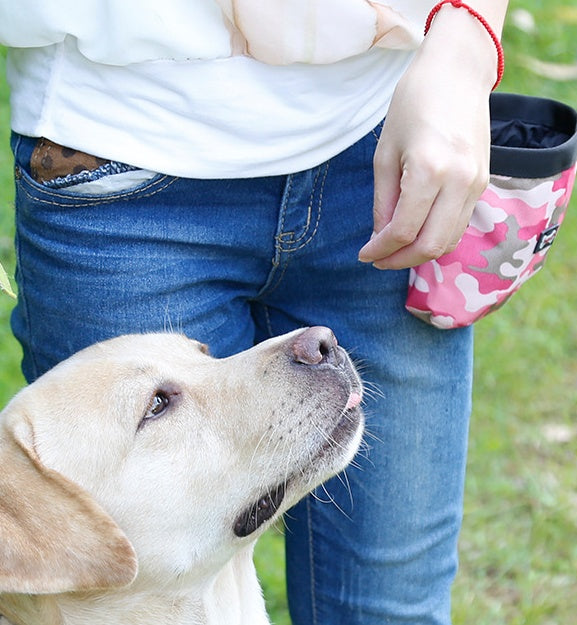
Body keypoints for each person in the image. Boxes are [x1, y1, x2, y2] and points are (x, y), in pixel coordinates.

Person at [0, 1, 508, 623]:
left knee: (392, 610)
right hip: (114, 144)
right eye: (159, 403)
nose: (308, 344)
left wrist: (465, 47)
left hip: (388, 132)